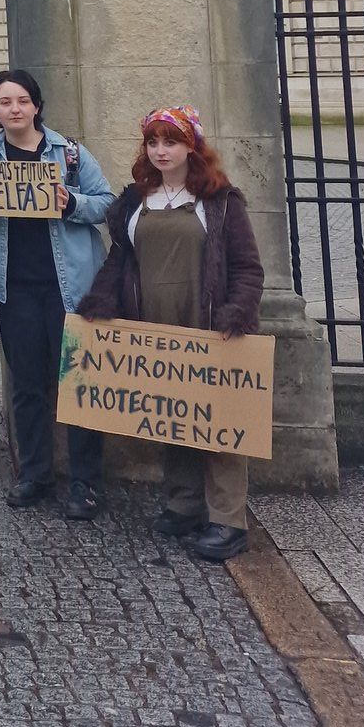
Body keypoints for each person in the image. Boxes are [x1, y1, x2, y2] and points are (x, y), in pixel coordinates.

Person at [79, 106, 264, 562]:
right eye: (153, 142)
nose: (161, 151)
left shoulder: (221, 201)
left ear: (191, 147)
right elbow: (120, 260)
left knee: (219, 423)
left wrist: (236, 314)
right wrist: (100, 304)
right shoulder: (134, 200)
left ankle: (227, 519)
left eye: (171, 142)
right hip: (155, 324)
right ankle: (184, 504)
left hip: (206, 323)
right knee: (175, 416)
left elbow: (246, 267)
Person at [0, 68, 114, 519]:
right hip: (17, 288)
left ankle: (85, 482)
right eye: (5, 102)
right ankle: (35, 473)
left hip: (70, 289)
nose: (14, 109)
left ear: (36, 106)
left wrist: (70, 201)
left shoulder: (69, 154)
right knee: (28, 385)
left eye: (22, 101)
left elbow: (105, 201)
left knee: (79, 383)